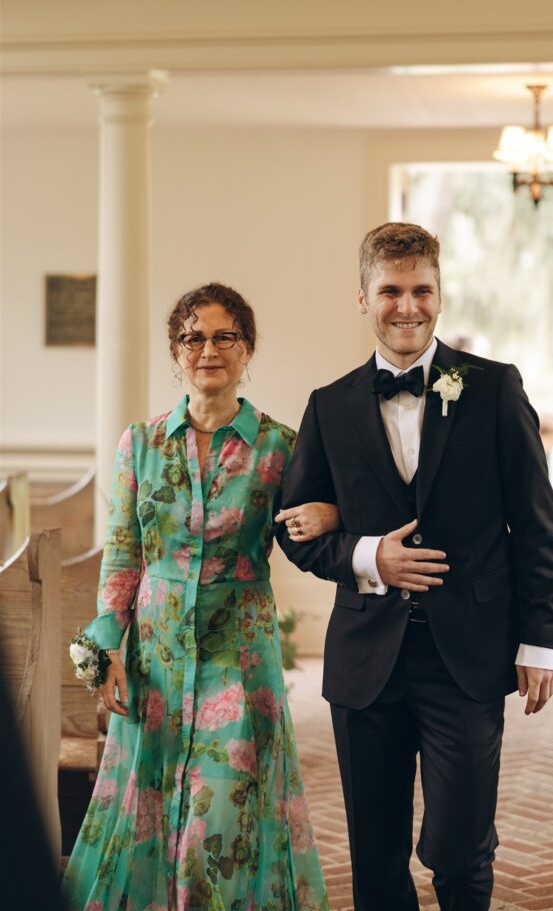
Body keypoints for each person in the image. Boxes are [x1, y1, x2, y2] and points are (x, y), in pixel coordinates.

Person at [275, 223, 553, 911]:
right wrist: (367, 554)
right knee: (374, 857)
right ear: (362, 297)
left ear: (439, 294)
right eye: (390, 291)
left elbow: (534, 524)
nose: (407, 306)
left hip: (464, 655)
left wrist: (540, 640)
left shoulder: (490, 387)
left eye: (420, 290)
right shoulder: (331, 404)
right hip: (363, 660)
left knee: (461, 848)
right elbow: (293, 531)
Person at [64, 282, 335, 911]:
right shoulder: (141, 443)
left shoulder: (280, 446)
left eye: (224, 336)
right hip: (156, 656)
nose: (207, 348)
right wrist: (107, 642)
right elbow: (125, 550)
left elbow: (306, 529)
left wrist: (329, 514)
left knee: (220, 811)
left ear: (247, 351)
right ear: (175, 351)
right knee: (151, 809)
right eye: (193, 336)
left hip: (238, 654)